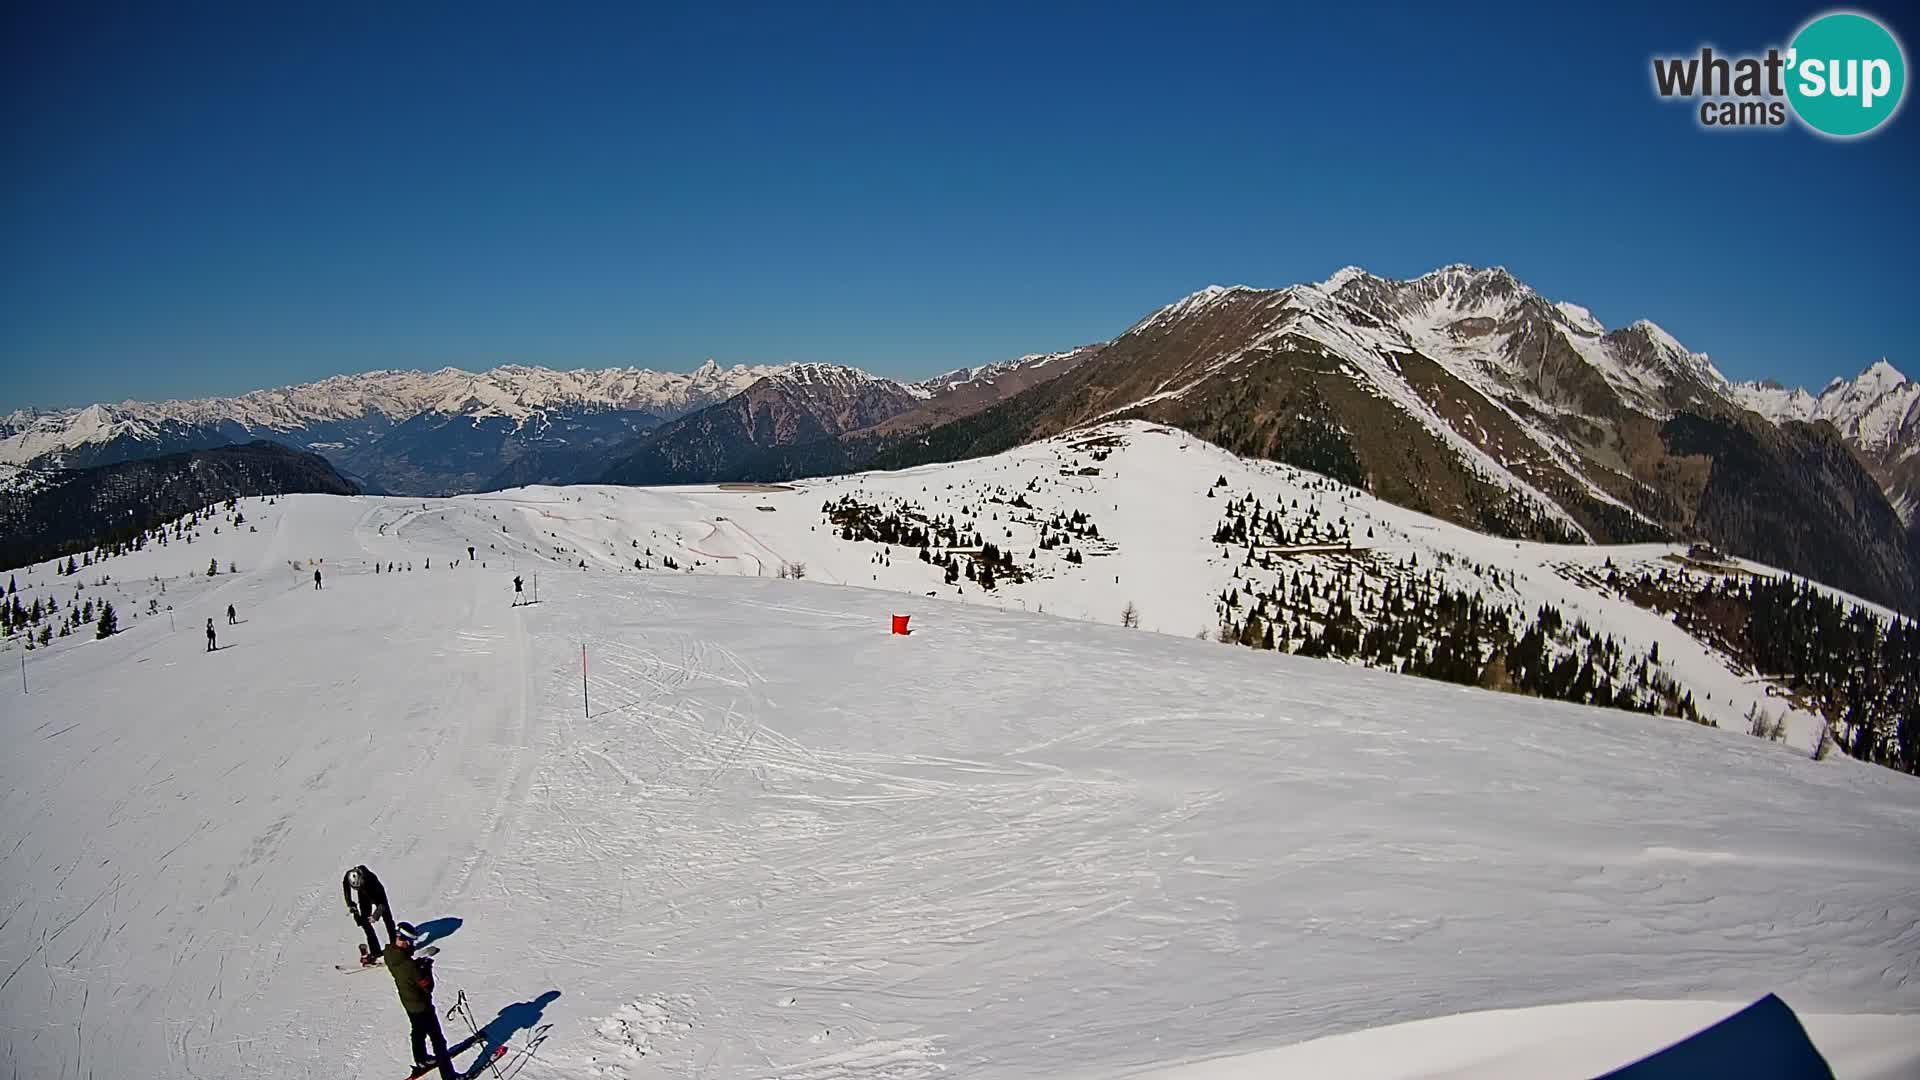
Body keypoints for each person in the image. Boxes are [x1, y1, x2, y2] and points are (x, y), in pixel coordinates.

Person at [385, 934, 456, 1079]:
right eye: (409, 942)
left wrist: (417, 965)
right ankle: (449, 1076)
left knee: (417, 1031)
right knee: (438, 1040)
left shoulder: (389, 954)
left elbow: (407, 968)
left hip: (408, 1002)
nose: (411, 945)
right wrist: (426, 967)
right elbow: (428, 986)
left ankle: (421, 1059)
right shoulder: (410, 966)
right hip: (422, 1006)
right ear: (405, 941)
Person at [343, 864, 398, 963]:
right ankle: (376, 952)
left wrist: (375, 916)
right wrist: (350, 904)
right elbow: (346, 888)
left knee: (388, 920)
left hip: (378, 895)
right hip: (364, 896)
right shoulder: (349, 876)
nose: (355, 889)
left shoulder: (372, 880)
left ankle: (395, 946)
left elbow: (381, 904)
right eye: (355, 888)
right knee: (365, 923)